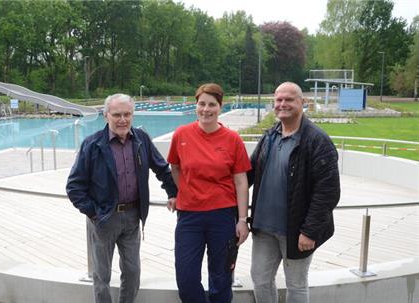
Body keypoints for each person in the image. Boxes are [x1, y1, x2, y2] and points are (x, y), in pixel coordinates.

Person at [66, 93, 177, 303]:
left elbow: (162, 168)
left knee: (133, 272)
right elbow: (74, 187)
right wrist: (94, 213)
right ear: (106, 115)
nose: (123, 119)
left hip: (133, 217)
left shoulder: (141, 139)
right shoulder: (92, 145)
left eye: (127, 114)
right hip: (103, 219)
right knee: (102, 275)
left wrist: (172, 192)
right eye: (117, 114)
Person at [248, 82, 340, 303]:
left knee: (296, 285)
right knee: (260, 280)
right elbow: (248, 173)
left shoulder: (317, 141)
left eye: (289, 99)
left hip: (296, 230)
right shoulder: (269, 136)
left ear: (302, 103)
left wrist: (309, 231)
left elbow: (328, 191)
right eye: (278, 100)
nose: (282, 104)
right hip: (264, 228)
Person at [167, 83, 251, 303]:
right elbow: (175, 167)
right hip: (189, 216)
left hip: (222, 215)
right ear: (196, 105)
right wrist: (181, 191)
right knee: (186, 277)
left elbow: (241, 181)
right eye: (201, 103)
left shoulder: (232, 139)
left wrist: (242, 219)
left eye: (212, 104)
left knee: (221, 276)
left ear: (220, 107)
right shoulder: (181, 134)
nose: (206, 109)